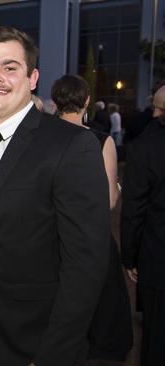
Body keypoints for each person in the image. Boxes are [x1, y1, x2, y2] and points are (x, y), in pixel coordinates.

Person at [0, 26, 109, 366]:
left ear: (33, 77)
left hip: (29, 343)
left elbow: (86, 263)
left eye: (10, 67)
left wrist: (53, 354)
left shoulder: (71, 145)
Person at [51, 74, 132, 362]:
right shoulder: (100, 140)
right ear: (86, 100)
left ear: (55, 100)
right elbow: (109, 201)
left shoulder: (40, 135)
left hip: (48, 235)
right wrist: (119, 187)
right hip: (89, 237)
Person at [122, 84, 165, 366]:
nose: (155, 113)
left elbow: (134, 209)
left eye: (161, 108)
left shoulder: (145, 149)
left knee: (156, 340)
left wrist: (130, 255)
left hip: (158, 257)